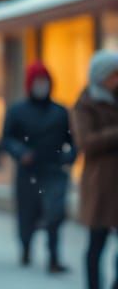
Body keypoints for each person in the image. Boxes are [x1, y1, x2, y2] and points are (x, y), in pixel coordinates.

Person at [3, 61, 77, 274]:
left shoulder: (60, 111)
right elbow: (7, 139)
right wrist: (21, 152)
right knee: (27, 216)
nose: (41, 85)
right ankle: (26, 248)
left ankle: (53, 257)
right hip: (28, 172)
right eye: (37, 81)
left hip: (53, 170)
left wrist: (69, 156)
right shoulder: (17, 111)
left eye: (44, 81)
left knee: (54, 215)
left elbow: (72, 140)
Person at [71, 50, 118, 289]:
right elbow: (86, 142)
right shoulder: (85, 104)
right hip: (100, 185)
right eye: (114, 75)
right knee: (96, 243)